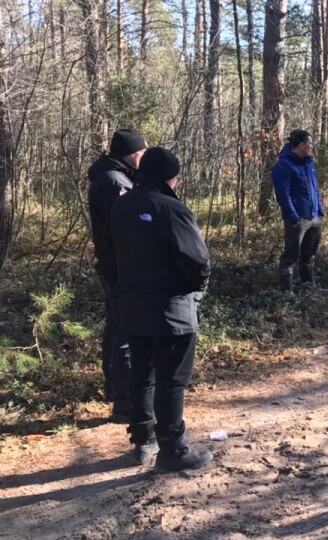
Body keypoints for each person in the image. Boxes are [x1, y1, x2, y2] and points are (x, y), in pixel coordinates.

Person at [110, 147, 212, 471]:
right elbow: (198, 261)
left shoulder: (121, 206)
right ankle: (173, 450)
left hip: (133, 307)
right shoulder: (173, 209)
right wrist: (196, 293)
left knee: (142, 374)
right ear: (171, 178)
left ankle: (143, 442)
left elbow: (111, 256)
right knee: (172, 380)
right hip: (172, 312)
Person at [87, 128, 148, 419]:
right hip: (120, 267)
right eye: (142, 152)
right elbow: (123, 227)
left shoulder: (117, 176)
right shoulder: (113, 181)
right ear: (131, 154)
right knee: (125, 331)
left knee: (116, 328)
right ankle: (124, 401)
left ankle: (116, 389)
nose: (145, 157)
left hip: (117, 264)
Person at [272, 129, 327, 294]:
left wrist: (320, 211)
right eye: (309, 143)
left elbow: (315, 188)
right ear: (301, 145)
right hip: (298, 219)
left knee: (309, 255)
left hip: (314, 216)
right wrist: (293, 217)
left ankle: (309, 286)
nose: (311, 146)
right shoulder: (283, 165)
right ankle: (286, 291)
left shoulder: (308, 163)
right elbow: (283, 195)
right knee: (290, 257)